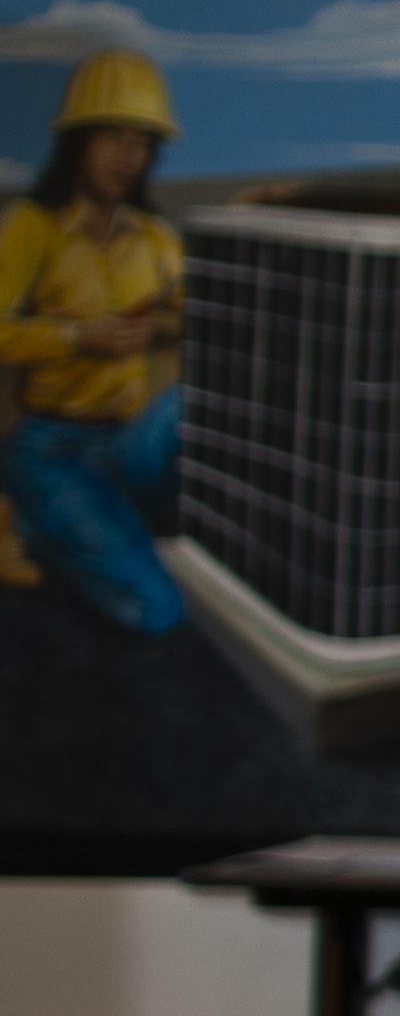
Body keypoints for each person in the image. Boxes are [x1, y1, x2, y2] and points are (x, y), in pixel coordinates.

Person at [0, 50, 191, 634]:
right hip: (53, 450)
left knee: (195, 402)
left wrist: (158, 326)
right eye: (112, 138)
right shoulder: (33, 227)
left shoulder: (156, 239)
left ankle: (124, 521)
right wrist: (81, 337)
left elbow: (191, 316)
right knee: (157, 611)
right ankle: (33, 524)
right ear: (79, 141)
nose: (126, 157)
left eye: (140, 143)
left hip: (128, 442)